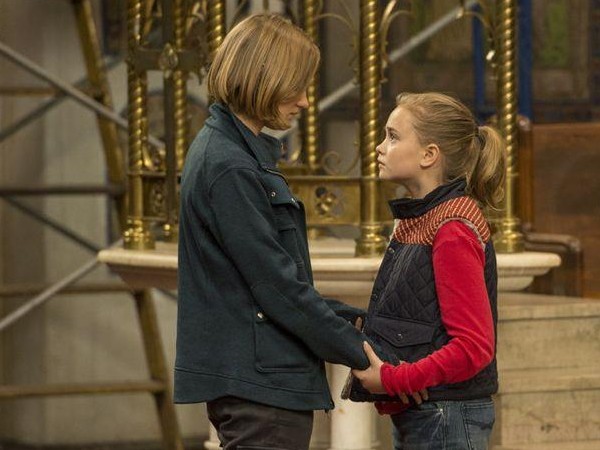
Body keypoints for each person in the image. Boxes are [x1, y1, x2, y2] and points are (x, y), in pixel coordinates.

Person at [175, 13, 370, 450]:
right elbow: (277, 287)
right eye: (296, 86)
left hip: (260, 380)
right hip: (262, 388)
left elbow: (268, 280)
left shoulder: (230, 152)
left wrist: (352, 319)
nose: (304, 101)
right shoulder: (230, 165)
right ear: (263, 78)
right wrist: (359, 351)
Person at [350, 92, 506, 450]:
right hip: (429, 414)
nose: (379, 147)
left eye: (393, 136)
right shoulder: (422, 218)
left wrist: (395, 378)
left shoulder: (452, 227)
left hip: (446, 418)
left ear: (429, 155)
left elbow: (473, 347)